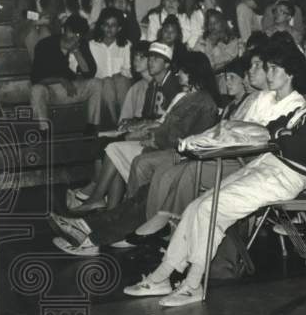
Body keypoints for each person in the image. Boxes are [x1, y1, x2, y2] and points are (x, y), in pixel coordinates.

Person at [122, 48, 306, 307]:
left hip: (284, 178)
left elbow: (291, 145)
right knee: (197, 205)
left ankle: (193, 284)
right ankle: (162, 276)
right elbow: (274, 129)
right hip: (268, 168)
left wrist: (279, 134)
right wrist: (279, 134)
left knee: (210, 208)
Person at [56, 50, 220, 219]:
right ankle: (110, 210)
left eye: (183, 71)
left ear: (194, 73)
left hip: (171, 151)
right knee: (113, 149)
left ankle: (112, 209)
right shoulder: (187, 97)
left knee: (120, 152)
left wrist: (152, 138)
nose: (178, 74)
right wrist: (149, 134)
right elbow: (166, 126)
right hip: (160, 143)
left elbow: (181, 136)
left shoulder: (202, 102)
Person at [29, 14, 101, 127]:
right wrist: (60, 79)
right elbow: (36, 78)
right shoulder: (45, 45)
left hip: (72, 89)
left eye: (78, 35)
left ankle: (92, 127)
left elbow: (89, 73)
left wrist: (77, 52)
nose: (74, 37)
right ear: (64, 30)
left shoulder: (81, 45)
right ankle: (44, 131)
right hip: (50, 91)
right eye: (71, 32)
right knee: (36, 90)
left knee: (96, 83)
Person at [87, 8, 133, 123]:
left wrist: (118, 75)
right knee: (107, 81)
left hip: (121, 84)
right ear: (101, 26)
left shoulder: (126, 45)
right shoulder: (92, 45)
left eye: (113, 25)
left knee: (120, 80)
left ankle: (124, 121)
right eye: (106, 24)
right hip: (102, 86)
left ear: (119, 28)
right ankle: (115, 121)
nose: (109, 28)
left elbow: (129, 70)